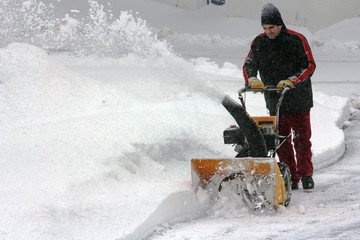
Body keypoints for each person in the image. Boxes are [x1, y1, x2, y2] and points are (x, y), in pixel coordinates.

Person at [242, 3, 316, 190]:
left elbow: (309, 65)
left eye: (272, 27)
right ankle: (290, 176)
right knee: (281, 140)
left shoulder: (296, 39)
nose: (268, 31)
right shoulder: (259, 42)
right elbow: (248, 65)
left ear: (280, 24)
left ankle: (305, 174)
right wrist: (252, 79)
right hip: (275, 100)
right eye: (265, 28)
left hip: (298, 98)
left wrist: (292, 80)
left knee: (301, 138)